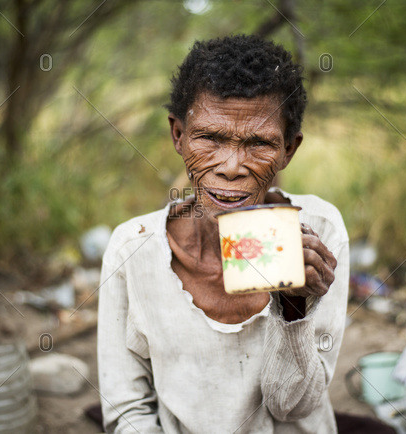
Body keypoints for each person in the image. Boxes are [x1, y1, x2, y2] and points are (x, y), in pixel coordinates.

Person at [98, 34, 349, 433]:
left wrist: (295, 308)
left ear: (288, 149)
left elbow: (294, 407)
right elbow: (127, 410)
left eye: (259, 143)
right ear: (178, 135)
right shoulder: (133, 248)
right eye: (210, 138)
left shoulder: (319, 229)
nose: (232, 167)